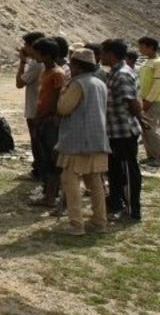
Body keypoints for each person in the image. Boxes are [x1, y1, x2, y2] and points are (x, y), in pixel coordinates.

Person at [55, 48, 110, 235]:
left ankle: (76, 224)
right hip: (97, 138)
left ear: (78, 65)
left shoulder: (78, 84)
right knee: (95, 181)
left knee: (70, 181)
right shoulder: (100, 83)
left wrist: (63, 91)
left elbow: (64, 108)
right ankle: (100, 221)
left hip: (78, 141)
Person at [101, 39, 143, 221]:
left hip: (124, 131)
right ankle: (117, 205)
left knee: (127, 172)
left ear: (110, 54)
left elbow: (132, 102)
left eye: (103, 52)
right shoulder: (114, 73)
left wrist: (140, 118)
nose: (100, 56)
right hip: (114, 132)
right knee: (115, 171)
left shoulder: (122, 74)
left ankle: (133, 211)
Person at [29, 37, 67, 207]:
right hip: (42, 119)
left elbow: (60, 97)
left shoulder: (57, 74)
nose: (34, 55)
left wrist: (55, 116)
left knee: (53, 159)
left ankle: (52, 195)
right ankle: (48, 193)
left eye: (37, 52)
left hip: (51, 121)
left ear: (46, 55)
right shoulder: (45, 71)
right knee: (45, 158)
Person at [16, 31, 47, 180]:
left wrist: (22, 62)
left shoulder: (36, 64)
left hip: (35, 109)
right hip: (38, 108)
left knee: (37, 142)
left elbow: (19, 83)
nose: (23, 48)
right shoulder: (38, 63)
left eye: (26, 45)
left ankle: (38, 171)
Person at [137, 36, 160, 167]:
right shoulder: (147, 62)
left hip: (154, 100)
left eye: (142, 46)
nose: (140, 49)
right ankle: (151, 155)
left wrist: (149, 101)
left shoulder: (158, 62)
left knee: (151, 128)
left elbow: (158, 84)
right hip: (145, 99)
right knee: (145, 128)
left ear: (150, 47)